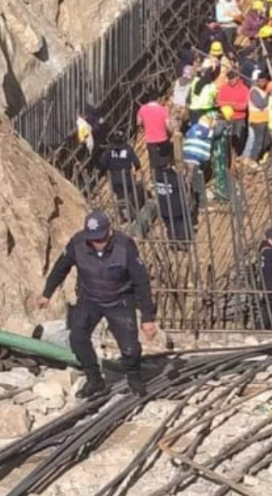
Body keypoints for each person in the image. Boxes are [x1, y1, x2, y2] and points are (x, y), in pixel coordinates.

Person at [37, 211, 157, 398]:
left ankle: (134, 379)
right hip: (90, 299)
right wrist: (47, 293)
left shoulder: (124, 246)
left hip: (120, 300)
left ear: (109, 231)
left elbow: (141, 281)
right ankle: (94, 380)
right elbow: (61, 268)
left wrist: (148, 318)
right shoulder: (78, 243)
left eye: (100, 238)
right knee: (77, 338)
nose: (97, 243)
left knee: (130, 348)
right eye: (93, 239)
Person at [98, 131, 143, 221]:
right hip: (126, 177)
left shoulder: (109, 150)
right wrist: (136, 169)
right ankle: (131, 214)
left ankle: (122, 216)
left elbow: (102, 163)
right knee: (129, 195)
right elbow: (137, 163)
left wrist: (104, 171)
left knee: (119, 196)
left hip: (114, 177)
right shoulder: (128, 148)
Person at [155, 162, 192, 243]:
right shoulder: (174, 178)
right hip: (176, 208)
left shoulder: (157, 177)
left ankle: (173, 241)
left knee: (170, 226)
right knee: (179, 225)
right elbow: (184, 188)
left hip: (163, 208)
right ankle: (182, 242)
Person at [217, 70, 250, 158]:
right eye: (229, 79)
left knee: (239, 138)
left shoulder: (244, 89)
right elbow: (219, 102)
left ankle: (237, 155)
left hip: (239, 118)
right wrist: (231, 104)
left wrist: (231, 104)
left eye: (233, 78)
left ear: (237, 77)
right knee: (227, 139)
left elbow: (244, 106)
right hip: (226, 118)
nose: (231, 80)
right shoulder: (223, 88)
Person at [243, 70, 271, 168]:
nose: (262, 83)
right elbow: (261, 104)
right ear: (257, 81)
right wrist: (268, 93)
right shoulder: (254, 91)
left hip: (266, 119)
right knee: (258, 140)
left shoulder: (264, 90)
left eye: (264, 81)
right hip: (257, 120)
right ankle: (252, 159)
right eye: (261, 81)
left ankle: (259, 157)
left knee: (267, 140)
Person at [137, 93, 172, 169]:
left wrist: (145, 127)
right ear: (158, 99)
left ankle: (155, 176)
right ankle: (165, 174)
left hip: (150, 140)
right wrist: (171, 132)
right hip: (163, 139)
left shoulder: (142, 109)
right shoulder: (163, 109)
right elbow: (168, 125)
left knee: (153, 161)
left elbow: (139, 122)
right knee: (164, 159)